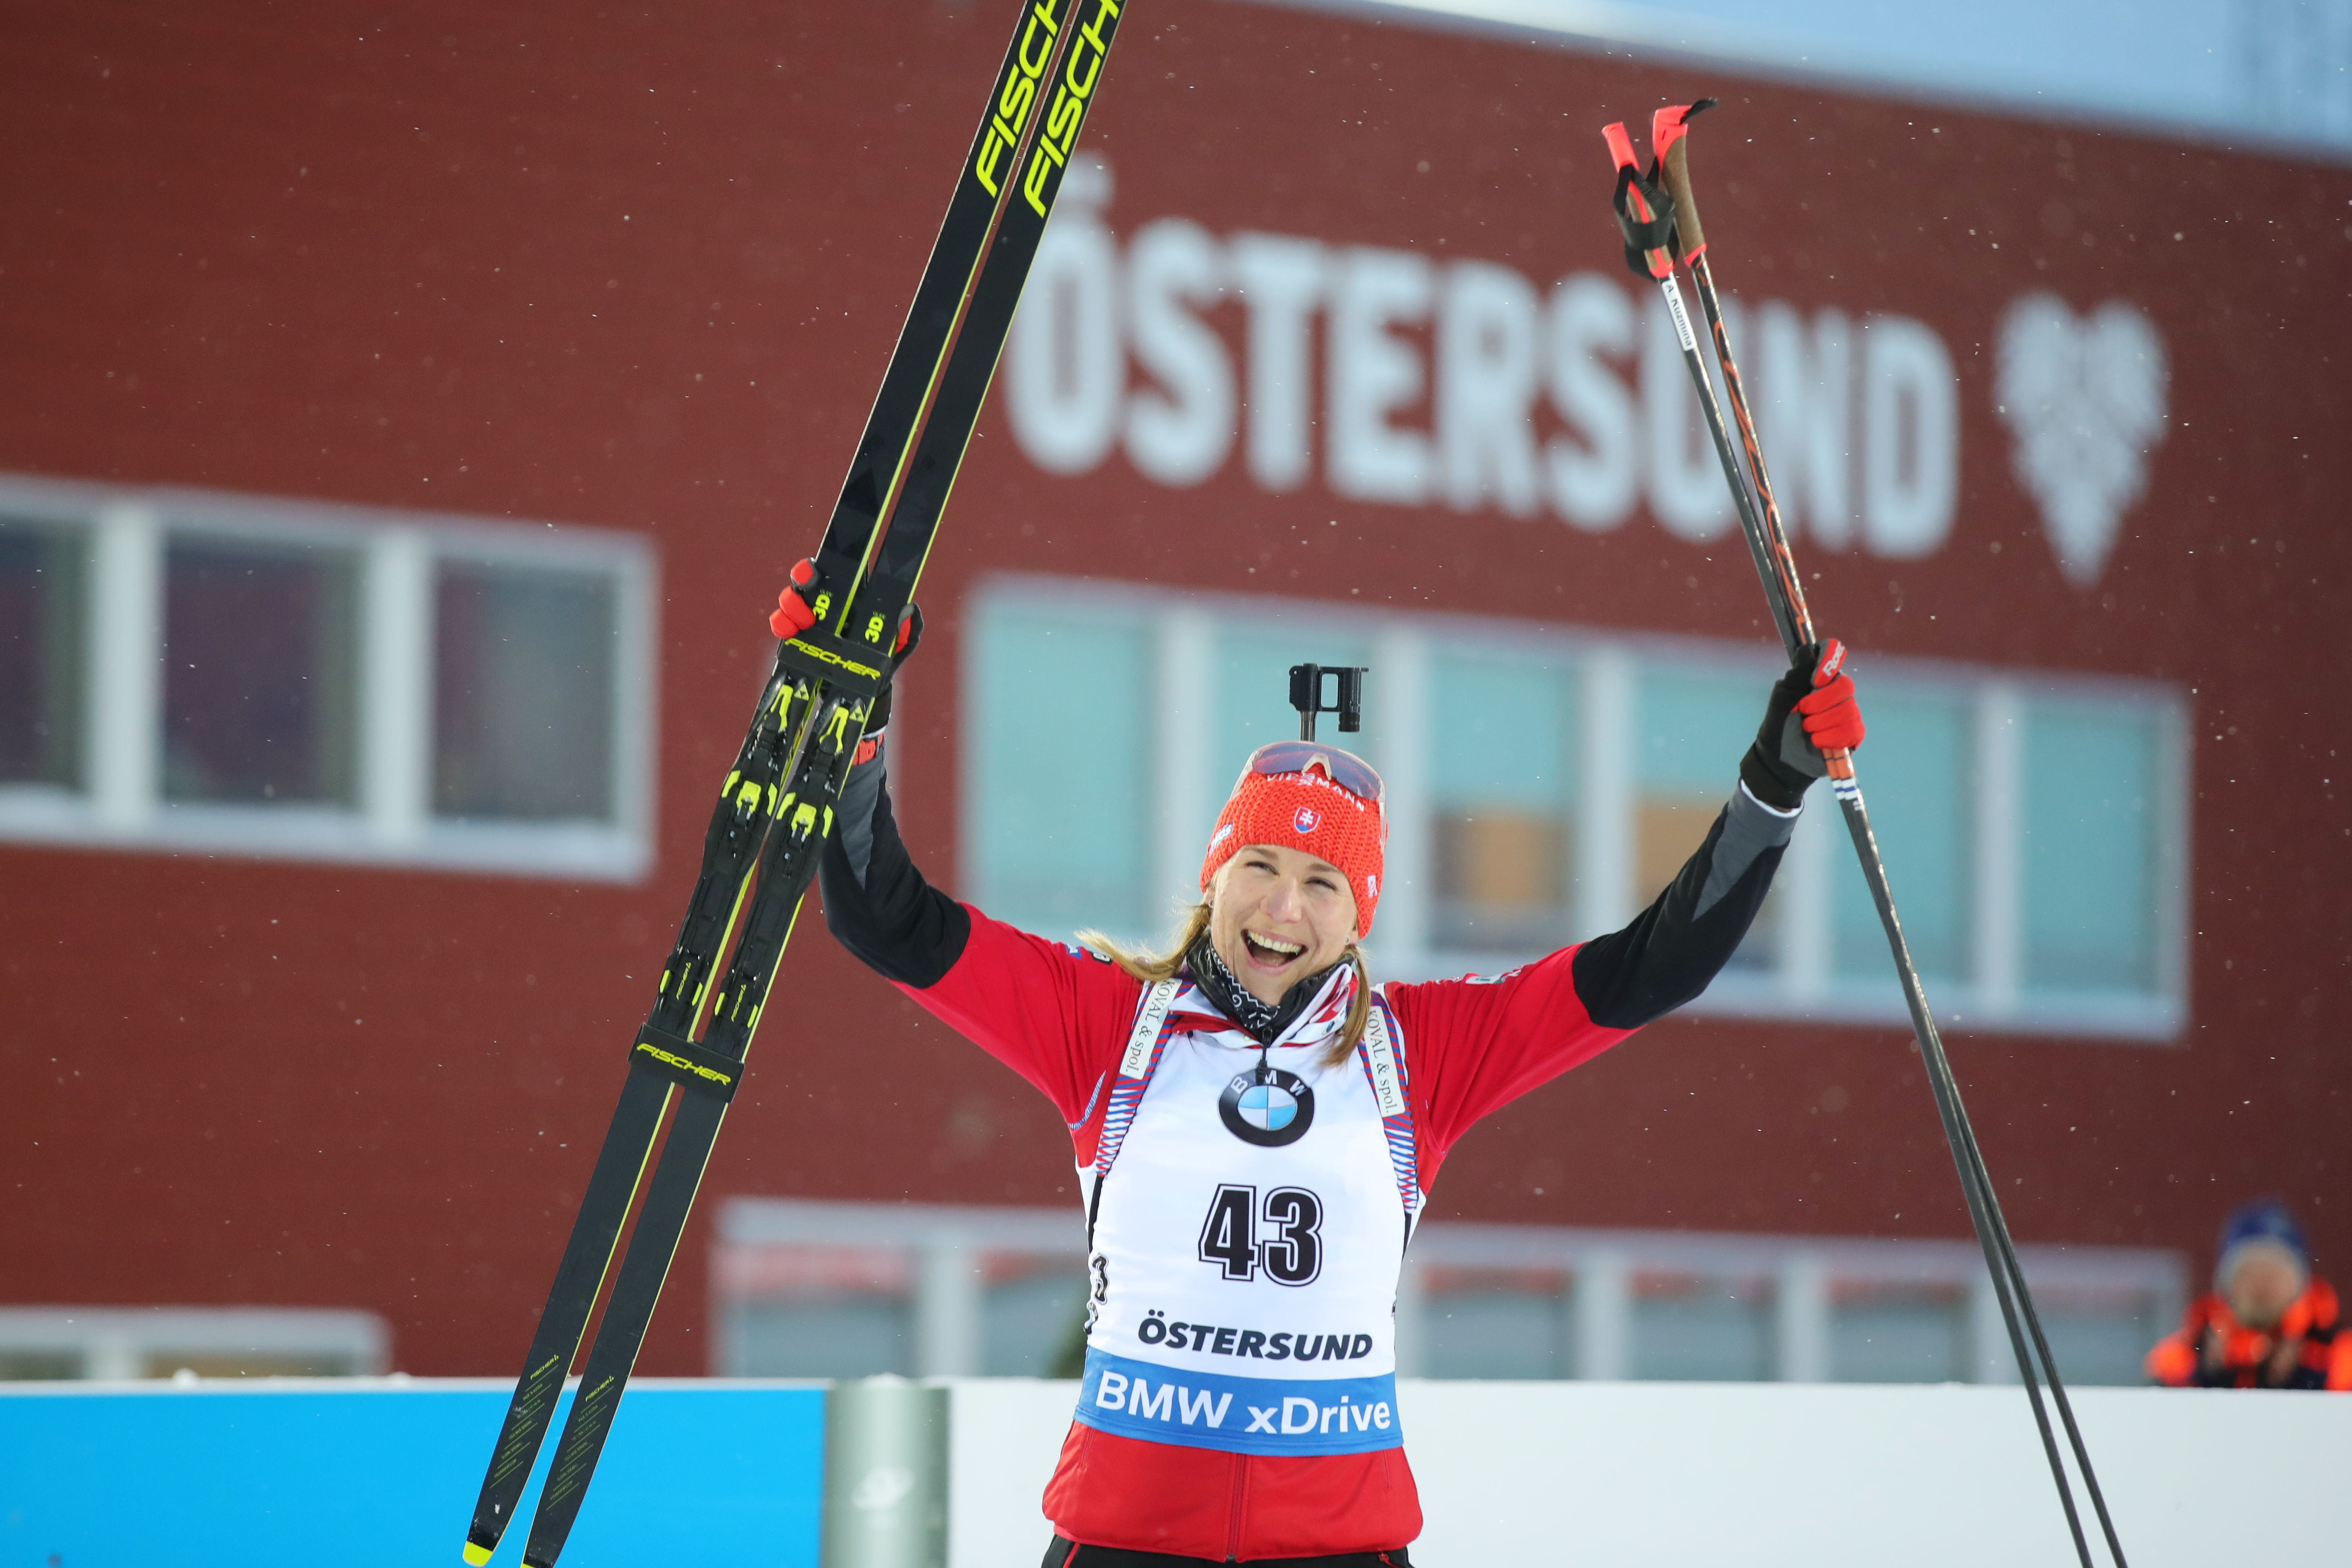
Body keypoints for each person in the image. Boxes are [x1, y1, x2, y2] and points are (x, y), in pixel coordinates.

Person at [773, 568, 1866, 1566]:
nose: (1281, 907)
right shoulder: (1107, 1023)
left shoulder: (1420, 1049)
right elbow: (886, 920)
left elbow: (1646, 968)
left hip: (1339, 1546)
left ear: (1359, 915)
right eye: (1258, 865)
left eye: (1321, 881)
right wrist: (848, 718)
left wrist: (1770, 786)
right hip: (1123, 1540)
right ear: (1214, 874)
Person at [2147, 1198, 2350, 1391]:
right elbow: (2158, 1419)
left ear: (2299, 1284)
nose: (2262, 1285)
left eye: (2274, 1274)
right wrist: (2205, 1378)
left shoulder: (2339, 1355)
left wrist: (2306, 1381)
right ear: (2227, 1284)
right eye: (2250, 1272)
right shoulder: (2183, 1353)